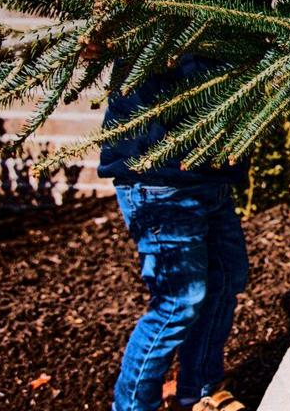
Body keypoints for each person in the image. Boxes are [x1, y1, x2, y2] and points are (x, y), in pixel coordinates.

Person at [100, 56, 250, 411]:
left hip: (211, 174)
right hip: (157, 175)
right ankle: (134, 405)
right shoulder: (155, 10)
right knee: (179, 298)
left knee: (227, 277)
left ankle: (201, 392)